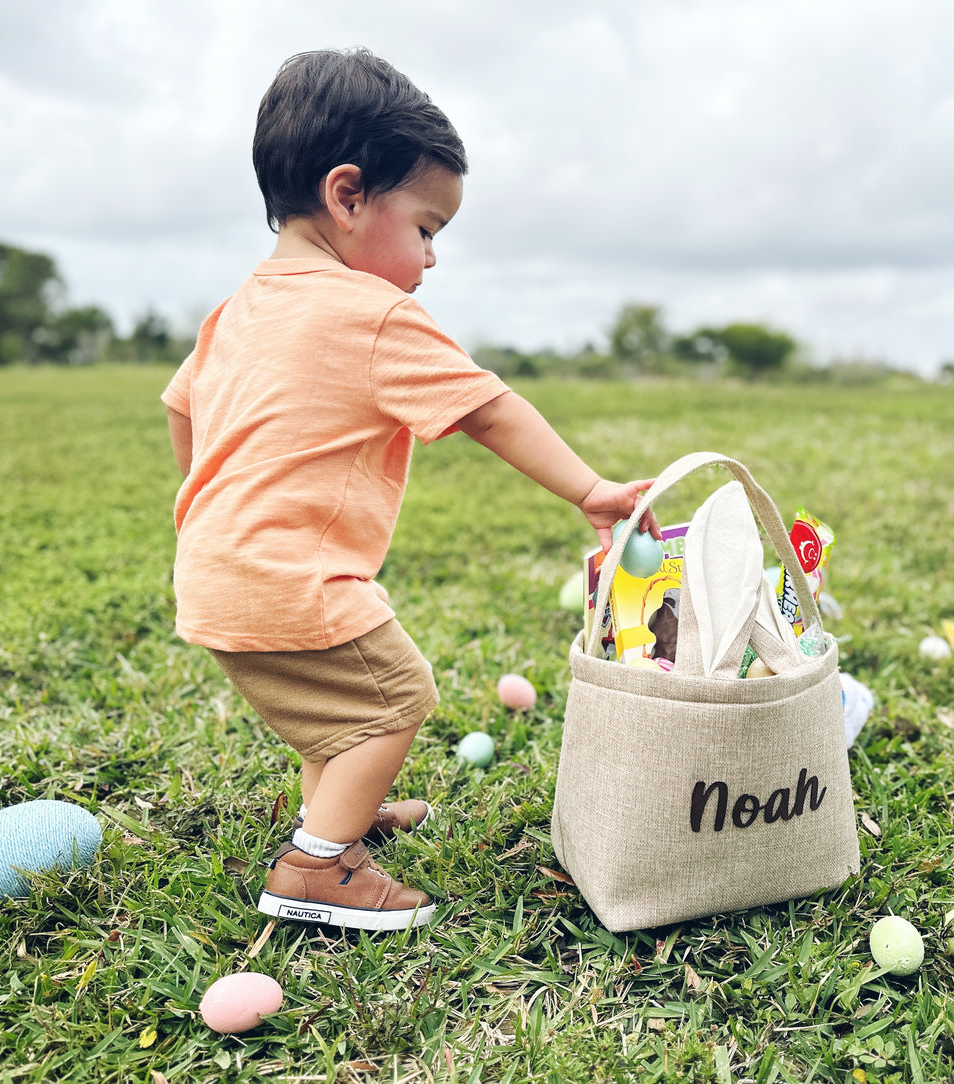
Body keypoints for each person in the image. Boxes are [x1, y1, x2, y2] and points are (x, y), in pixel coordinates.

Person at [163, 48, 658, 931]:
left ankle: (336, 818)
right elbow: (489, 409)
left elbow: (181, 409)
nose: (431, 258)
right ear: (348, 196)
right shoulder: (374, 313)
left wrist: (216, 518)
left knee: (337, 712)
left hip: (213, 570)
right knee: (394, 696)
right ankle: (318, 869)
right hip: (292, 576)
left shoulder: (234, 310)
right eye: (427, 227)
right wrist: (588, 488)